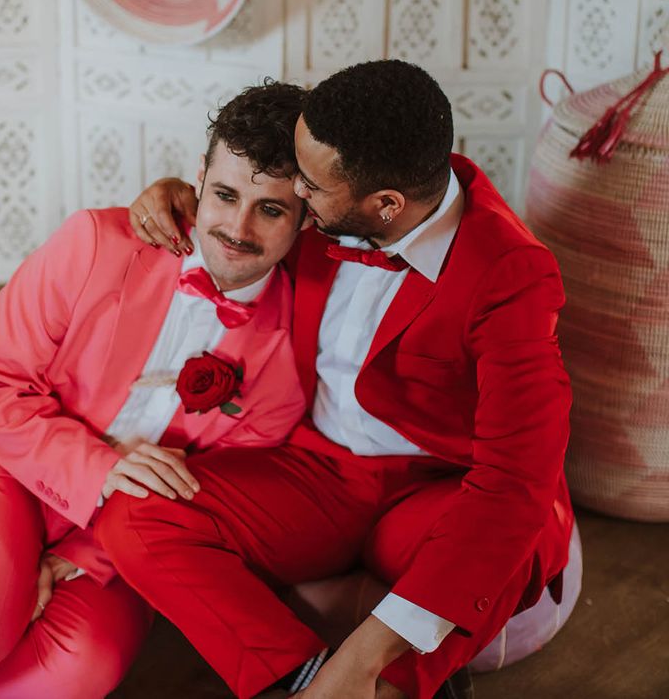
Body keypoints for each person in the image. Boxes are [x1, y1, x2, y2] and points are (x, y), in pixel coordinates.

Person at [97, 60, 574, 699]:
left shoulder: (513, 274)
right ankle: (296, 678)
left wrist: (367, 657)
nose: (295, 190)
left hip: (434, 485)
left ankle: (387, 687)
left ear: (384, 205)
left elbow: (515, 478)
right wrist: (180, 195)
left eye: (310, 186)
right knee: (136, 512)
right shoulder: (330, 206)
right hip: (317, 469)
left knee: (527, 534)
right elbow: (239, 222)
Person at [0, 81, 310, 697]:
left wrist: (95, 550)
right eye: (224, 195)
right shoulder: (95, 242)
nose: (238, 228)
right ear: (198, 179)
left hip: (121, 535)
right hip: (2, 460)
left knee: (78, 672)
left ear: (306, 218)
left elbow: (216, 497)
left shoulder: (289, 356)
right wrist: (96, 470)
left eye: (271, 210)